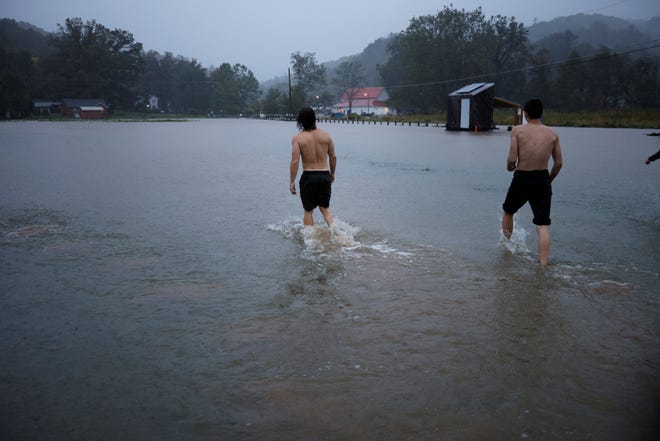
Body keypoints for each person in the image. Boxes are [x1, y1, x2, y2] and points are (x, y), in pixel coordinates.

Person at [502, 99, 563, 267]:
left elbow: (512, 158)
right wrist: (548, 180)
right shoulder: (552, 134)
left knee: (508, 211)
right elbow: (558, 163)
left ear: (525, 114)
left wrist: (510, 166)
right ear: (542, 113)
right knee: (543, 224)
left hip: (522, 177)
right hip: (542, 178)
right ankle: (543, 263)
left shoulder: (517, 131)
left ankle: (507, 245)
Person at [289, 107, 337, 227]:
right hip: (324, 175)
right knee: (325, 209)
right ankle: (336, 232)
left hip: (309, 176)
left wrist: (292, 181)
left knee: (308, 211)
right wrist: (332, 173)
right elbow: (333, 157)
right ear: (314, 119)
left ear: (300, 121)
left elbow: (295, 161)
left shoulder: (298, 138)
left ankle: (310, 239)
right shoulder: (326, 136)